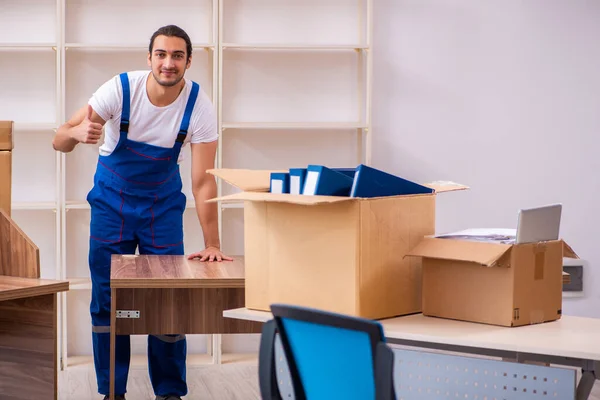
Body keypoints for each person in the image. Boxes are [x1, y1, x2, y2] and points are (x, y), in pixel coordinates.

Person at [52, 25, 232, 400]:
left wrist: (213, 242)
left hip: (161, 209)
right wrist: (78, 131)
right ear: (149, 57)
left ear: (189, 61)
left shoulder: (200, 105)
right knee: (107, 300)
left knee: (168, 299)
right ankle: (112, 391)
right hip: (110, 206)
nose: (169, 63)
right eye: (161, 54)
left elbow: (202, 182)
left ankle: (169, 392)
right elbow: (60, 138)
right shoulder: (119, 89)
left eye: (177, 55)